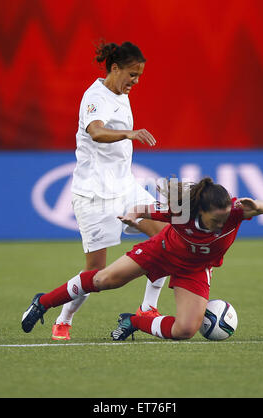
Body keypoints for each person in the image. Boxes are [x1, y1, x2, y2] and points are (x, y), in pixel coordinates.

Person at [21, 177, 263, 341]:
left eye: (224, 217)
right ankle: (43, 302)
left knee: (184, 330)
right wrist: (131, 217)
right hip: (161, 251)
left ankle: (135, 322)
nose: (221, 223)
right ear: (200, 211)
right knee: (104, 280)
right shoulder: (180, 214)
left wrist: (256, 205)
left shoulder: (234, 212)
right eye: (215, 219)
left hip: (194, 269)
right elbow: (142, 209)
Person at [51, 40, 167, 341]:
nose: (135, 81)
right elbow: (96, 131)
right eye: (132, 74)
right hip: (95, 196)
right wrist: (130, 133)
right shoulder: (95, 96)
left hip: (126, 189)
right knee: (95, 275)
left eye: (139, 75)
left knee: (169, 239)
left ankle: (147, 310)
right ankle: (63, 318)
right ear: (114, 69)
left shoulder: (120, 91)